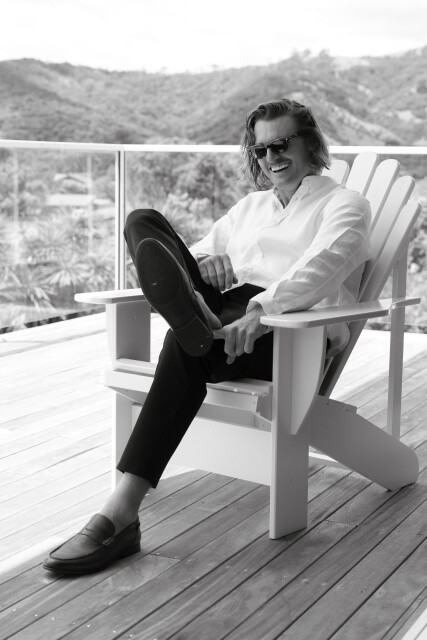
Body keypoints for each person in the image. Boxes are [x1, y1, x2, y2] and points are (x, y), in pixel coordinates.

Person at [43, 98, 371, 575]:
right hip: (226, 309)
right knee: (142, 221)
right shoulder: (250, 207)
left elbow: (323, 267)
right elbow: (192, 254)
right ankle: (195, 312)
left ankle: (120, 511)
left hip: (290, 329)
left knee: (188, 342)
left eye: (282, 144)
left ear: (311, 143)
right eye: (260, 150)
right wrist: (205, 263)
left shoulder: (344, 204)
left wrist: (261, 311)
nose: (272, 157)